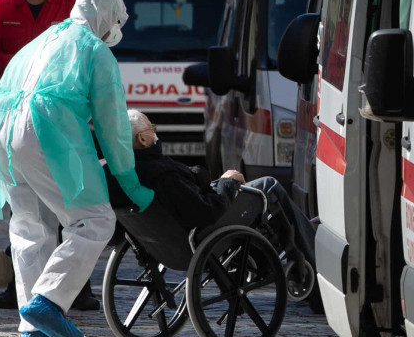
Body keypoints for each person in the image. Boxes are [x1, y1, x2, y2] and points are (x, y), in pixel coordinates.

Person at [0, 0, 155, 337]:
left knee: (29, 229)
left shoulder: (43, 39)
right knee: (95, 220)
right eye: (113, 24)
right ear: (105, 16)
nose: (112, 33)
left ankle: (34, 330)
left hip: (1, 128)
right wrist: (130, 181)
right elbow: (113, 126)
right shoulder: (95, 51)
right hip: (44, 130)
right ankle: (48, 302)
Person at [0, 0, 97, 311]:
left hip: (62, 122)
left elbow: (85, 49)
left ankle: (80, 288)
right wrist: (22, 73)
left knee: (71, 200)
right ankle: (21, 288)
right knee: (25, 208)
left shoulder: (69, 3)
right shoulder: (2, 5)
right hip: (15, 119)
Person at [112, 110, 316, 274]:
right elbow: (205, 210)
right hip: (202, 233)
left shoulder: (128, 173)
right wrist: (227, 182)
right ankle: (313, 254)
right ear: (143, 139)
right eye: (152, 129)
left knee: (250, 186)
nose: (156, 133)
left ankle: (296, 238)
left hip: (169, 241)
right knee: (269, 185)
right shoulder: (161, 174)